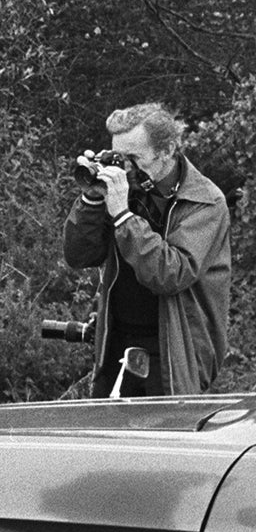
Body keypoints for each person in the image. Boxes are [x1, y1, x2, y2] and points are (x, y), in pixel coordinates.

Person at [63, 102, 230, 398]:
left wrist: (123, 217)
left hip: (175, 347)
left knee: (160, 440)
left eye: (133, 158)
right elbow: (79, 255)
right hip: (117, 340)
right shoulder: (129, 189)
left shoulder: (205, 203)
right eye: (118, 156)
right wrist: (91, 201)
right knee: (108, 438)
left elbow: (171, 273)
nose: (124, 167)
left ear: (166, 151)